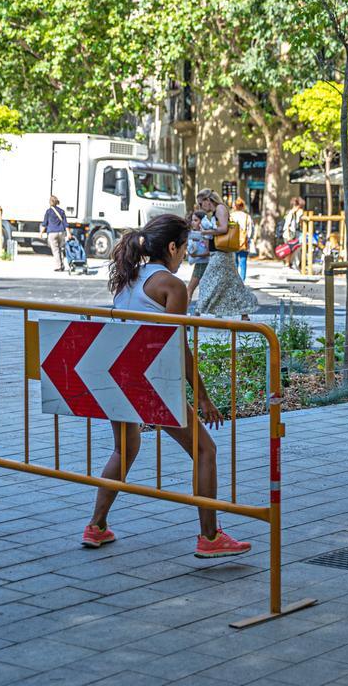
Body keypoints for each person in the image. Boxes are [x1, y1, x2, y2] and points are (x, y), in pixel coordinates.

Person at [83, 213, 252, 558]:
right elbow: (179, 346)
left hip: (118, 376)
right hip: (150, 381)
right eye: (186, 248)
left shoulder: (130, 277)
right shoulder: (171, 286)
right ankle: (209, 536)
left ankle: (96, 526)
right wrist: (201, 396)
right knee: (205, 450)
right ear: (173, 247)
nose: (186, 255)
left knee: (124, 450)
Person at [195, 189, 259, 321]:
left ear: (208, 200)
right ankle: (244, 313)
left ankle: (196, 313)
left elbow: (224, 228)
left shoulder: (220, 208)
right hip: (220, 253)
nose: (200, 207)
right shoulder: (216, 210)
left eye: (201, 204)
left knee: (206, 281)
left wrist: (206, 232)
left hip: (221, 254)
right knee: (232, 284)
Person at [185, 210, 211, 303]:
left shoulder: (206, 234)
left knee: (190, 289)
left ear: (202, 221)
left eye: (195, 220)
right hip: (200, 264)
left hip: (203, 264)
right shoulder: (193, 233)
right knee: (201, 290)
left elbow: (209, 252)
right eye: (192, 220)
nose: (193, 222)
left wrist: (195, 255)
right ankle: (196, 313)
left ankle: (184, 314)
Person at [42, 195, 69, 272]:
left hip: (52, 233)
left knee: (56, 250)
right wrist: (69, 233)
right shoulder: (61, 211)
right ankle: (62, 264)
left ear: (50, 202)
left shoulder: (48, 212)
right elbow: (65, 223)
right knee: (61, 249)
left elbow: (45, 224)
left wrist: (41, 233)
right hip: (61, 232)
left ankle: (58, 266)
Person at [229, 198, 253, 280]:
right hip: (244, 241)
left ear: (235, 206)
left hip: (233, 241)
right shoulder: (247, 217)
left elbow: (230, 228)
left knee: (234, 262)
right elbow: (250, 230)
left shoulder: (231, 216)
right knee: (243, 261)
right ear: (243, 206)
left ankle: (236, 280)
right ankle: (242, 280)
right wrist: (248, 238)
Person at [282, 197, 306, 270]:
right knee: (289, 249)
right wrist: (289, 234)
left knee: (292, 249)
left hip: (291, 233)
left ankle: (289, 263)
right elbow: (288, 225)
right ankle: (287, 263)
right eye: (299, 207)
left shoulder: (293, 213)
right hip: (289, 233)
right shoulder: (291, 213)